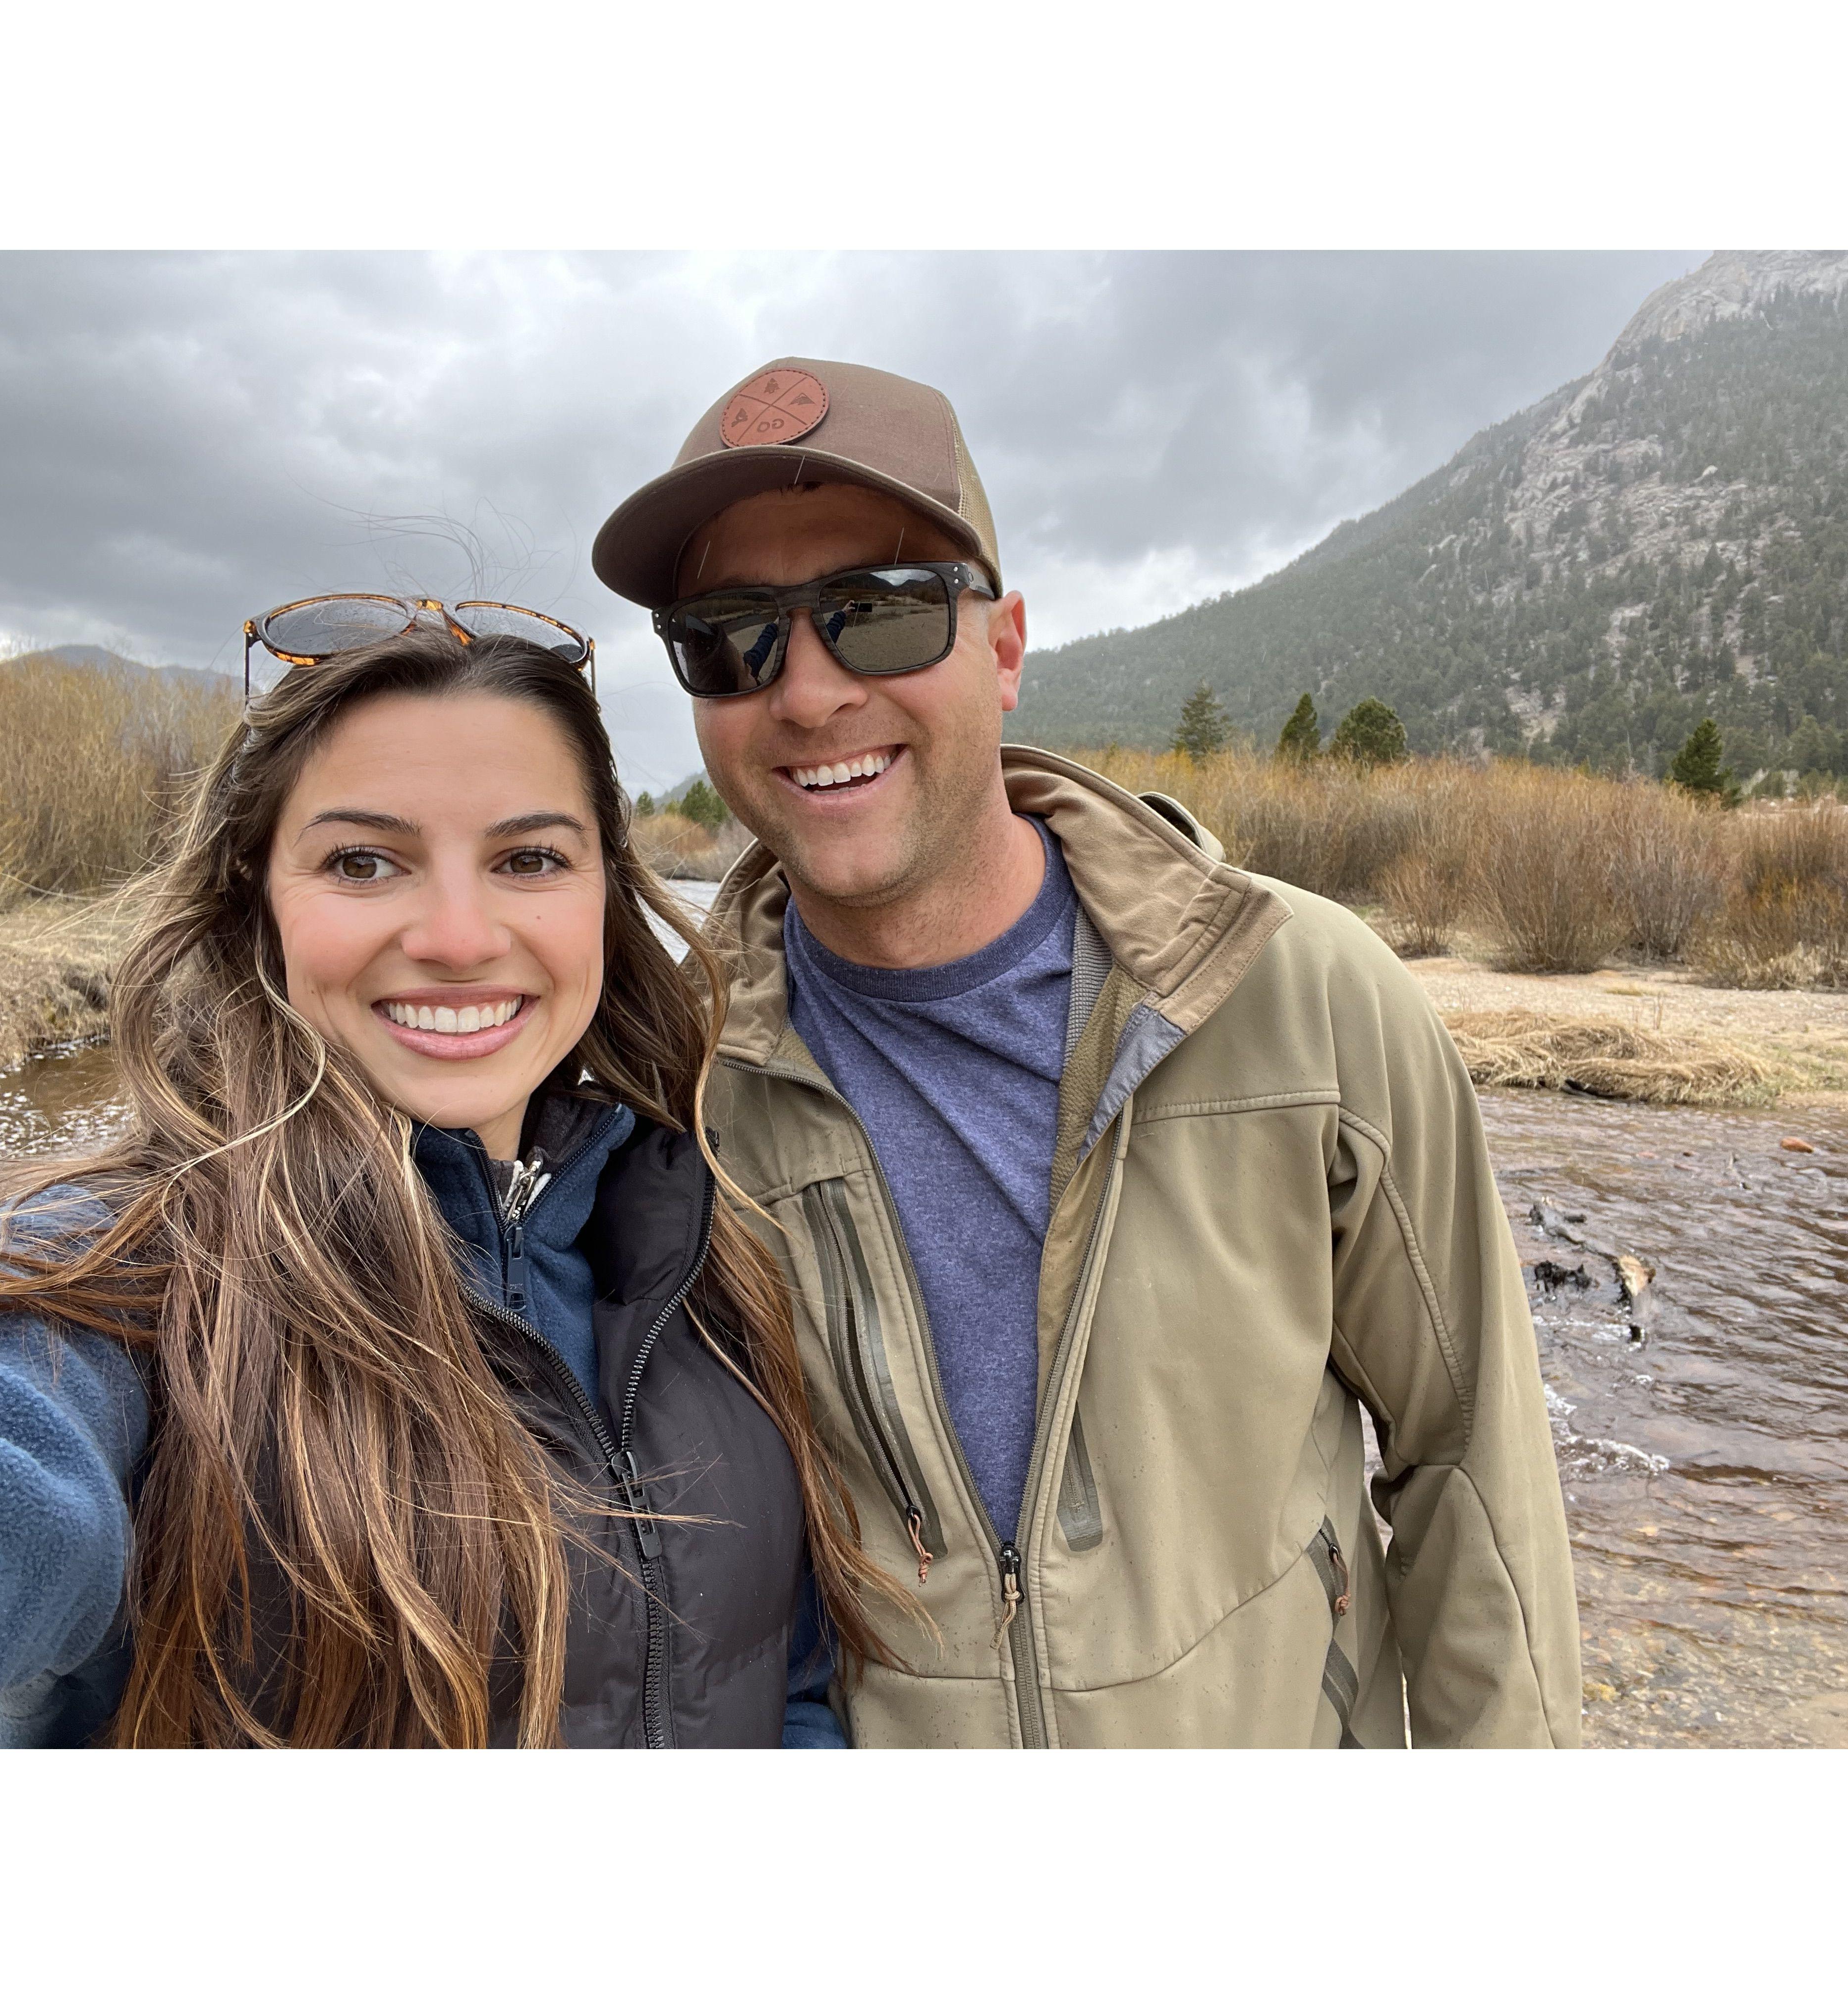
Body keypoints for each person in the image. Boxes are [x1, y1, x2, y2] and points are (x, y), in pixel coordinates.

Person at [592, 358, 1584, 1747]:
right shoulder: (667, 1080)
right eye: (729, 636)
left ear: (1001, 649)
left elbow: (1472, 1471)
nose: (806, 694)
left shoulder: (1305, 998)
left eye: (875, 615)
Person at [0, 601, 900, 1748]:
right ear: (258, 902)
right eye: (364, 861)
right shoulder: (109, 1281)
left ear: (605, 893)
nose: (455, 934)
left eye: (529, 857)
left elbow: (781, 1682)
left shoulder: (707, 1240)